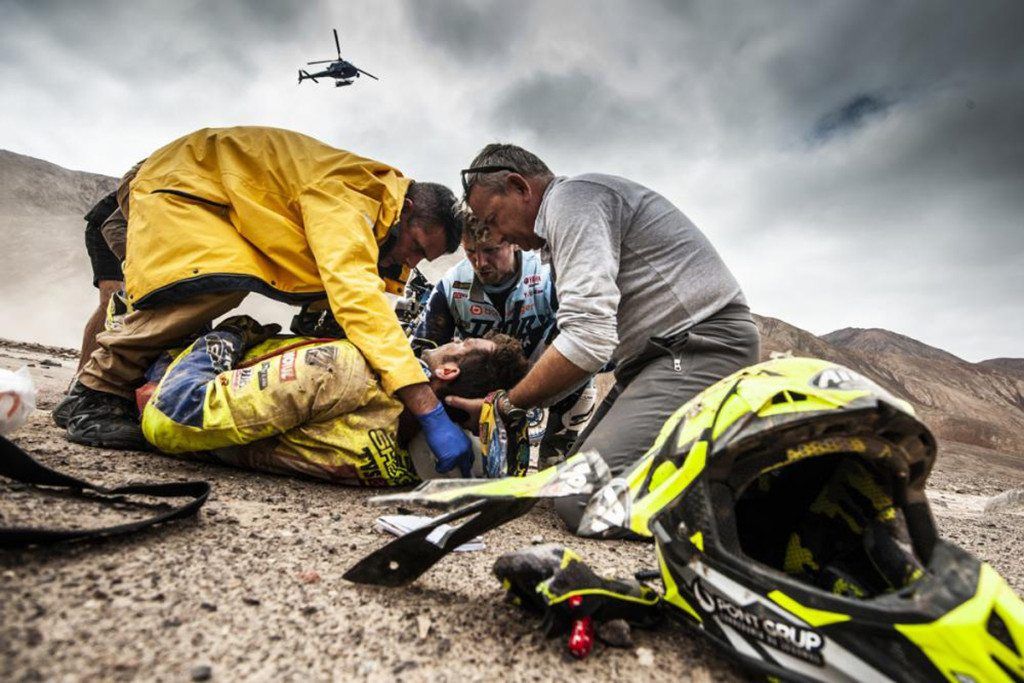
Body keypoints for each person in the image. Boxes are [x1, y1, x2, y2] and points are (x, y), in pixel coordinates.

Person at [62, 126, 473, 477]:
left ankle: (118, 390)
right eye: (416, 246)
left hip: (202, 195)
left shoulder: (380, 217)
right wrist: (427, 409)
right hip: (181, 187)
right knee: (211, 283)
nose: (412, 262)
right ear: (409, 209)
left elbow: (339, 292)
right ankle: (97, 393)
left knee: (226, 293)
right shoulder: (351, 198)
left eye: (424, 259)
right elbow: (356, 297)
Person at [450, 144, 761, 533]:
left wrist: (505, 404)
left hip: (702, 346)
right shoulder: (564, 218)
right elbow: (583, 339)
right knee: (564, 482)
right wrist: (519, 395)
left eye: (493, 219)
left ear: (519, 187)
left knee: (584, 500)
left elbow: (587, 341)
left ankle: (752, 515)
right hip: (654, 358)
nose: (494, 233)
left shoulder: (572, 202)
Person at [140, 315, 529, 483]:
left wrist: (230, 334)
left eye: (461, 343)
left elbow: (176, 414)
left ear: (448, 371)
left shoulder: (343, 369)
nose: (452, 340)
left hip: (165, 381)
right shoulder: (412, 468)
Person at [415, 217, 596, 466]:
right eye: (470, 252)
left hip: (543, 374)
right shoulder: (452, 285)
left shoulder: (547, 278)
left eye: (490, 250)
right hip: (481, 384)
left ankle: (558, 445)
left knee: (580, 369)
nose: (480, 263)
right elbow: (421, 352)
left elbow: (586, 343)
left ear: (514, 242)